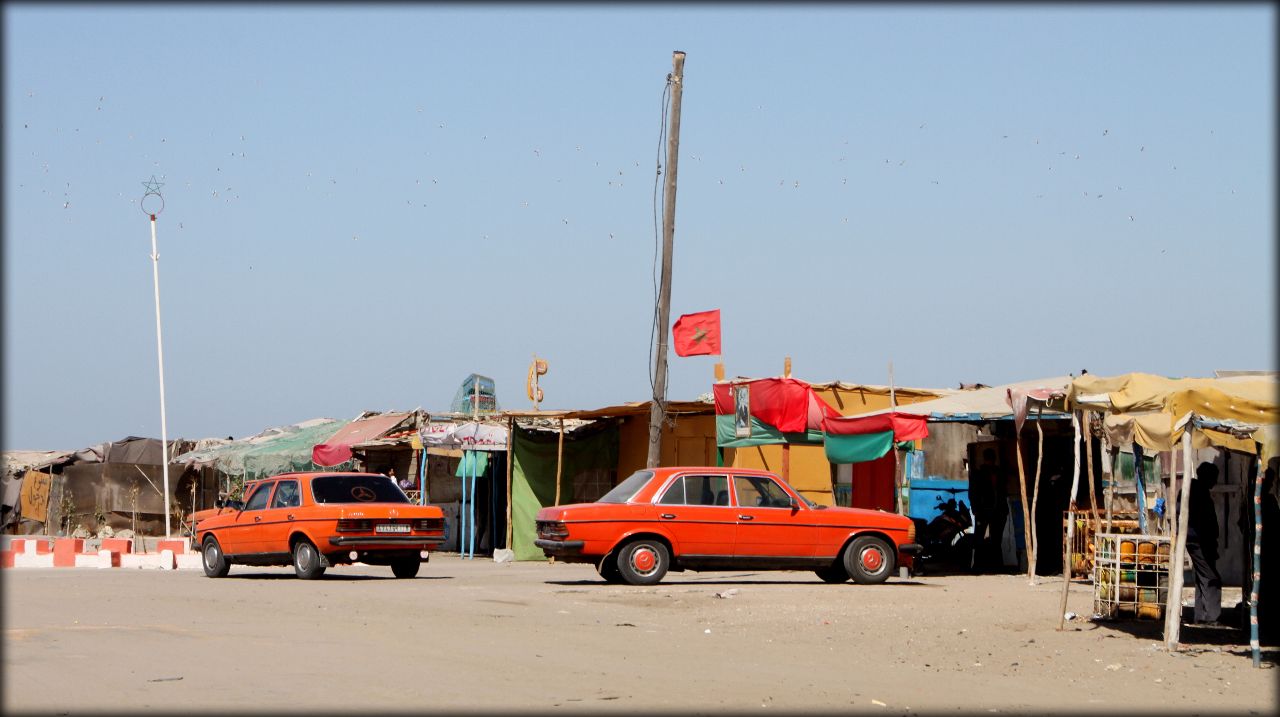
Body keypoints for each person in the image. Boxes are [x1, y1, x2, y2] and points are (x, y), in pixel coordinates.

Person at [1186, 462, 1223, 626]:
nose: (1215, 482)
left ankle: (1200, 615)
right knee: (1211, 578)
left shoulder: (1197, 491)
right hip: (1199, 541)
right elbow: (1204, 522)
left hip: (1199, 541)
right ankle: (1211, 617)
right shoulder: (1199, 493)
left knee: (1203, 577)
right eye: (1214, 478)